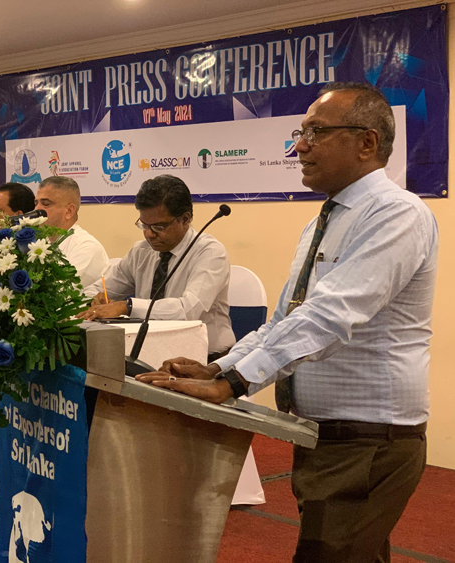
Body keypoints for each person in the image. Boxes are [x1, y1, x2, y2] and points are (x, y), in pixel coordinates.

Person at [138, 83, 437, 563]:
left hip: (368, 440)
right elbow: (286, 320)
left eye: (317, 132)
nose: (300, 146)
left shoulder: (396, 214)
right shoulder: (323, 222)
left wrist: (235, 382)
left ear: (367, 142)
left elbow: (329, 316)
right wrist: (219, 367)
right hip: (324, 433)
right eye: (301, 133)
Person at [78, 174, 235, 359]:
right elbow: (100, 289)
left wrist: (128, 306)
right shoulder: (141, 251)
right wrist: (94, 300)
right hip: (151, 352)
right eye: (144, 225)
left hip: (206, 359)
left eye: (159, 227)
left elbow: (188, 310)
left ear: (185, 219)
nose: (149, 234)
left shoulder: (210, 253)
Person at [34, 176, 109, 288]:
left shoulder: (87, 247)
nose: (36, 209)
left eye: (46, 204)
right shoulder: (40, 242)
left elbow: (60, 292)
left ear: (69, 211)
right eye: (36, 203)